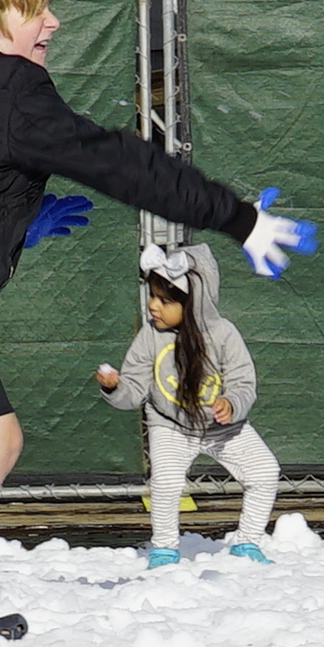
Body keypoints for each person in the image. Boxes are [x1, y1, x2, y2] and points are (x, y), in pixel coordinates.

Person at [0, 0, 316, 647]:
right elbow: (121, 163)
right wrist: (236, 217)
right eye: (35, 11)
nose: (53, 22)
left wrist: (10, 227)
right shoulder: (11, 94)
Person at [96, 240, 280, 568]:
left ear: (193, 302)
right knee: (166, 483)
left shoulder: (223, 334)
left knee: (265, 472)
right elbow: (134, 391)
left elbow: (243, 383)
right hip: (171, 425)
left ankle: (247, 544)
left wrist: (231, 404)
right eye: (152, 295)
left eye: (165, 300)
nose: (153, 306)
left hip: (223, 428)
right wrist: (115, 387)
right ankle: (165, 550)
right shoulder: (150, 336)